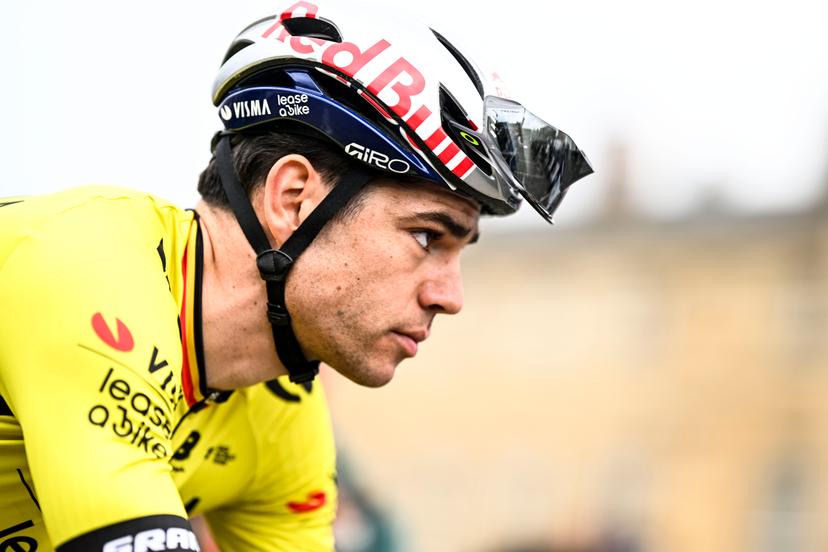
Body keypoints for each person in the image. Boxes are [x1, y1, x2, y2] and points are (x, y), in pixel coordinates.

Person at [0, 1, 593, 550]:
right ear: (292, 198)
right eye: (425, 236)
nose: (450, 296)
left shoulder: (282, 416)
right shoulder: (84, 265)